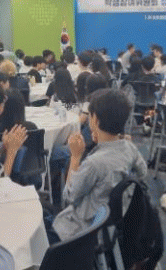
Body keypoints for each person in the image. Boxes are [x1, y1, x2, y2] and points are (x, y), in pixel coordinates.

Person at [51, 89, 147, 242]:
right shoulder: (130, 148)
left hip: (80, 229)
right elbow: (142, 173)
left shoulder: (93, 164)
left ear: (95, 120)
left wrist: (75, 157)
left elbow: (68, 197)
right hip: (111, 221)